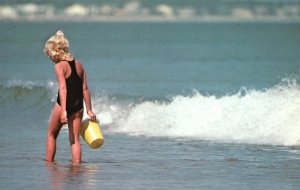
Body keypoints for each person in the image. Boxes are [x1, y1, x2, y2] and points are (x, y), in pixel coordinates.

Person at [43, 30, 96, 164]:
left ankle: (49, 164)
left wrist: (64, 110)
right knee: (75, 140)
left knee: (51, 135)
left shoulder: (59, 66)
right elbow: (85, 88)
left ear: (56, 51)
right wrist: (89, 110)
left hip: (64, 104)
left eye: (50, 54)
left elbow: (63, 88)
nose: (50, 58)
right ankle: (76, 166)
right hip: (78, 106)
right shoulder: (79, 64)